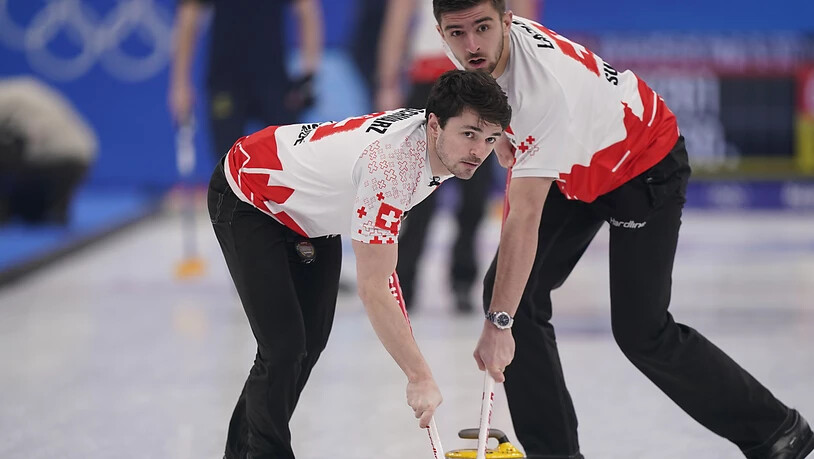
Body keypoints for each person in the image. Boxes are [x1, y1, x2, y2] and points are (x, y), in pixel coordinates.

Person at [432, 1, 814, 458]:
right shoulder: (485, 54)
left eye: (482, 27)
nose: (471, 44)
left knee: (641, 332)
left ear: (507, 21)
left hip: (642, 163)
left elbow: (523, 217)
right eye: (457, 33)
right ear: (440, 33)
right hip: (577, 165)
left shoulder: (542, 89)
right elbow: (505, 107)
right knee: (513, 293)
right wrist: (503, 137)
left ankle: (778, 431)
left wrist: (499, 327)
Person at [207, 70, 511, 458]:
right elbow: (373, 287)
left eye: (490, 139)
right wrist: (418, 376)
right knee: (283, 348)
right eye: (469, 134)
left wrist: (507, 139)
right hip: (250, 193)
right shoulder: (392, 166)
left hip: (312, 215)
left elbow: (383, 272)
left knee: (307, 345)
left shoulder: (438, 145)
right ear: (434, 124)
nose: (479, 152)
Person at [376, 0, 536, 313]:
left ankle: (463, 279)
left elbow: (522, 21)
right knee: (419, 191)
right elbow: (397, 20)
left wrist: (519, 84)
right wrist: (388, 82)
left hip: (480, 77)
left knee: (475, 193)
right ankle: (404, 280)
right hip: (428, 80)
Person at [168, 0, 322, 161]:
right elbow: (188, 19)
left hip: (273, 82)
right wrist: (180, 84)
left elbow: (307, 10)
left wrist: (309, 76)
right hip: (225, 83)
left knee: (287, 162)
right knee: (228, 164)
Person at [0, 76, 97, 224]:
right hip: (82, 158)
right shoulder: (23, 87)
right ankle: (51, 207)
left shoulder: (7, 97)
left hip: (53, 161)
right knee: (32, 214)